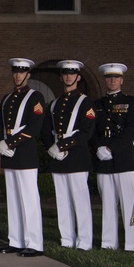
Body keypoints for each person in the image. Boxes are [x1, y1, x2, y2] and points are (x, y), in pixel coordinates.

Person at [0, 58, 47, 257]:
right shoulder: (7, 98)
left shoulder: (35, 97)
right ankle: (15, 240)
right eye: (15, 72)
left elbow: (34, 126)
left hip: (24, 154)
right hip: (8, 154)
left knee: (29, 200)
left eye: (22, 72)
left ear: (28, 75)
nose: (18, 75)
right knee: (13, 200)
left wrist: (10, 142)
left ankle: (34, 243)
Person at [43, 60, 97, 250]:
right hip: (58, 158)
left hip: (76, 157)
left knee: (80, 203)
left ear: (78, 77)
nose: (68, 77)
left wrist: (63, 146)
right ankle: (66, 239)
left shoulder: (85, 102)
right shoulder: (55, 103)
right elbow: (46, 129)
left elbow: (86, 132)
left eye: (72, 74)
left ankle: (84, 241)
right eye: (65, 74)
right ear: (61, 77)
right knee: (62, 202)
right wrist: (52, 147)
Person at [91, 63, 134, 250]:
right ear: (105, 80)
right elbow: (92, 131)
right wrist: (98, 147)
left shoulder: (132, 103)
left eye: (115, 78)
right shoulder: (97, 105)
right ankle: (108, 243)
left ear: (122, 80)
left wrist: (111, 148)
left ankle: (132, 243)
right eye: (108, 78)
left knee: (129, 203)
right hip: (103, 161)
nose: (112, 81)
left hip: (124, 159)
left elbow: (131, 131)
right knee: (107, 205)